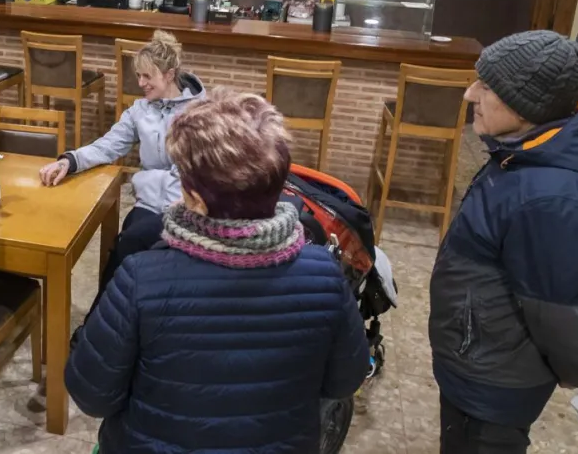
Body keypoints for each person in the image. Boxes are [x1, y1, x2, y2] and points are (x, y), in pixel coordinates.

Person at [66, 89, 370, 453]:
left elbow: (92, 395)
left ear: (195, 199)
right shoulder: (325, 275)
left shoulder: (140, 279)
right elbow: (344, 381)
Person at [429, 30, 578, 454]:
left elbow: (561, 312)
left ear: (527, 105)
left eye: (487, 86)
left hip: (493, 379)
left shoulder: (551, 197)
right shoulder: (526, 152)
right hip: (481, 360)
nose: (469, 94)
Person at [38, 30, 204, 301]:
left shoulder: (200, 111)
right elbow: (109, 144)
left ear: (169, 75)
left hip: (185, 206)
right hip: (148, 204)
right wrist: (71, 160)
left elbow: (201, 171)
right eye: (139, 75)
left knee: (129, 247)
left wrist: (180, 209)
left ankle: (97, 325)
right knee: (123, 251)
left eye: (147, 76)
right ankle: (106, 320)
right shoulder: (140, 111)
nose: (141, 83)